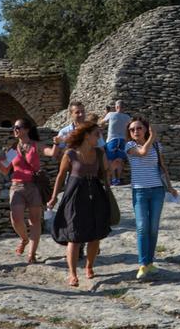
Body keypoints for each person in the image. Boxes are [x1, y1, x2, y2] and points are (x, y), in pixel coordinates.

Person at [47, 122, 111, 287]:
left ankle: (89, 266)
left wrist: (108, 168)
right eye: (97, 134)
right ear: (87, 135)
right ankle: (72, 273)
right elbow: (61, 177)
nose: (100, 137)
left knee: (95, 234)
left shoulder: (99, 152)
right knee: (74, 235)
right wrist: (54, 197)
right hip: (75, 194)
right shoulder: (70, 154)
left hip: (95, 193)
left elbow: (106, 173)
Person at [0, 118, 57, 263]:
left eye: (18, 127)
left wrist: (56, 142)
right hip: (17, 185)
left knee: (35, 221)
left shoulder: (36, 146)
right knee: (16, 218)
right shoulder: (12, 149)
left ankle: (32, 254)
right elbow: (5, 171)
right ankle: (24, 239)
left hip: (34, 186)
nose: (15, 130)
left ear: (27, 129)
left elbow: (52, 153)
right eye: (14, 127)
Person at [126, 117, 178, 279]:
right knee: (142, 227)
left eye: (139, 128)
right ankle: (142, 264)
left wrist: (169, 186)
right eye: (132, 129)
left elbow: (162, 167)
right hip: (140, 191)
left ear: (145, 129)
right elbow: (142, 153)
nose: (135, 131)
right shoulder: (129, 146)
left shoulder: (156, 145)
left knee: (153, 228)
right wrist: (152, 137)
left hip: (157, 190)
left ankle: (149, 262)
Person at [100, 100, 131, 186]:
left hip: (112, 140)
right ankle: (118, 178)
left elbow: (101, 122)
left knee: (110, 160)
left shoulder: (111, 114)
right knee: (120, 160)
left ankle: (113, 178)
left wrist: (106, 113)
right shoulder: (127, 117)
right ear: (124, 107)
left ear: (116, 107)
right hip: (122, 140)